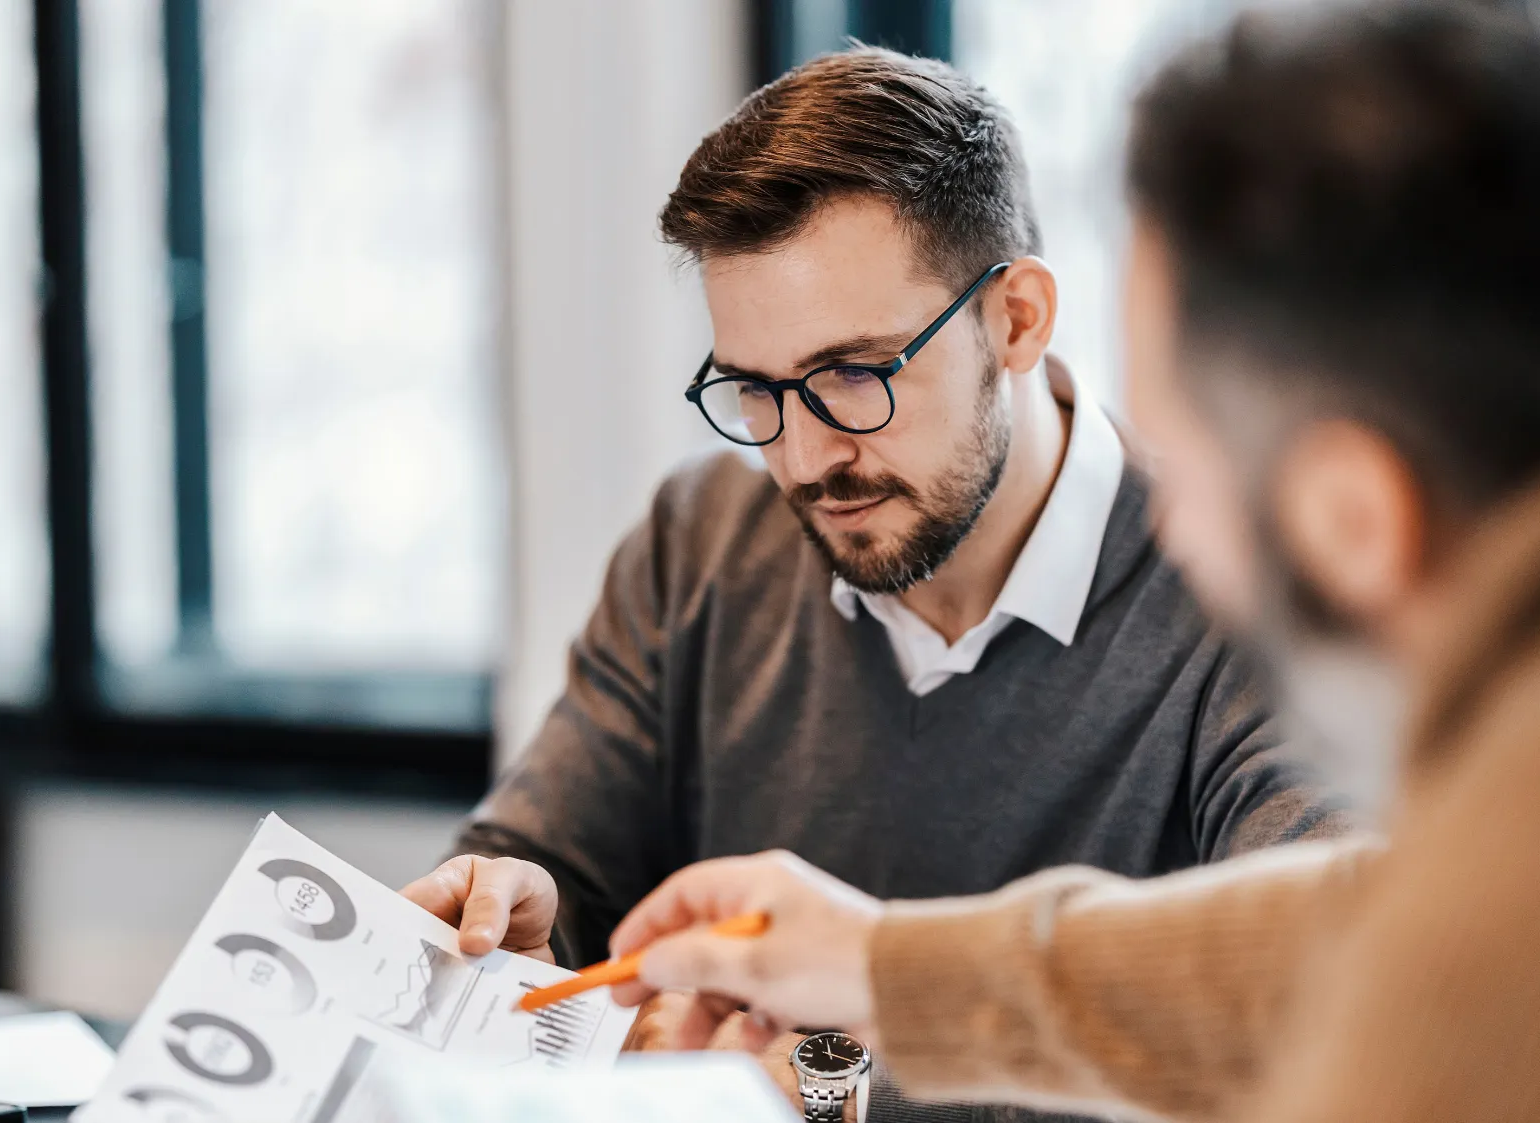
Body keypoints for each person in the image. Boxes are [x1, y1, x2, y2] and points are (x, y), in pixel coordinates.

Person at [606, 3, 1540, 1122]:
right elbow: (1354, 929)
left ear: (1356, 515)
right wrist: (884, 969)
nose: (1171, 538)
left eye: (1194, 479)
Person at [398, 46, 1352, 1122]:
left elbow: (1333, 1006)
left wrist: (839, 1083)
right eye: (755, 391)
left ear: (1019, 319)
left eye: (855, 374)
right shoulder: (701, 540)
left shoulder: (1244, 592)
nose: (803, 460)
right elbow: (549, 866)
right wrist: (512, 922)